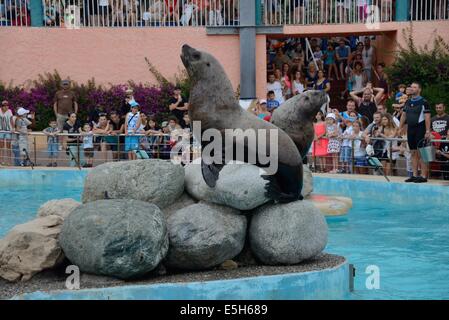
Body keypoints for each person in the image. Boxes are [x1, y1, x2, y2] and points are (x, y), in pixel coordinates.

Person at [399, 82, 432, 183]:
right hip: (411, 129)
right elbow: (404, 115)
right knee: (413, 152)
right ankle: (414, 175)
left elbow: (427, 117)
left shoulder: (424, 102)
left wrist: (427, 131)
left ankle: (423, 176)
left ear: (419, 89)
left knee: (422, 153)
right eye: (411, 87)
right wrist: (399, 127)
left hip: (421, 129)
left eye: (415, 87)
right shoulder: (408, 102)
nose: (412, 88)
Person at [53, 80, 78, 147]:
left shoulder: (72, 93)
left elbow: (75, 103)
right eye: (64, 84)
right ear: (61, 85)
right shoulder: (57, 93)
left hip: (70, 115)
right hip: (60, 114)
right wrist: (56, 113)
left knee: (70, 129)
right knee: (60, 130)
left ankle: (68, 145)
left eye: (66, 84)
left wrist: (75, 113)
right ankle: (60, 145)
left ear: (69, 85)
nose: (65, 85)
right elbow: (55, 104)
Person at [0, 100, 14, 166]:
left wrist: (13, 128)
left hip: (8, 130)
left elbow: (11, 120)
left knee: (8, 146)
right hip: (1, 130)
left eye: (7, 105)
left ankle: (9, 161)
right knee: (1, 146)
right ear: (2, 106)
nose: (6, 106)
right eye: (5, 105)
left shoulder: (9, 111)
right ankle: (1, 160)